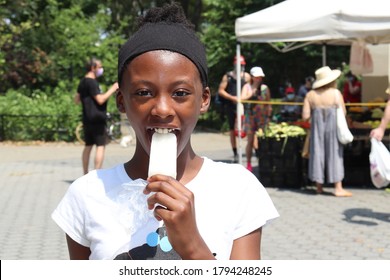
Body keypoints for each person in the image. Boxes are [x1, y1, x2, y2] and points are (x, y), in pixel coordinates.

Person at [52, 2, 279, 260]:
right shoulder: (88, 194)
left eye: (180, 93)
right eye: (143, 92)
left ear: (204, 99)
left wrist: (193, 246)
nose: (162, 109)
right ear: (121, 102)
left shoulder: (238, 188)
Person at [302, 66, 352, 197]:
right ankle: (338, 187)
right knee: (335, 152)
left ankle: (318, 186)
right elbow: (344, 112)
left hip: (316, 128)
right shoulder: (336, 93)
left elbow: (305, 116)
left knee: (317, 152)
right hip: (333, 127)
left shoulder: (310, 95)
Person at [74, 58, 119, 174]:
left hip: (87, 118)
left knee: (88, 145)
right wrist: (113, 89)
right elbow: (100, 99)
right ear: (93, 68)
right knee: (100, 145)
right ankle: (96, 173)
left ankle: (85, 173)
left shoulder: (83, 81)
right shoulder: (92, 82)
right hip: (97, 118)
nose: (101, 69)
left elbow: (76, 99)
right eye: (99, 67)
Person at [217, 55, 251, 162]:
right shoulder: (228, 76)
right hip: (231, 106)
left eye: (242, 65)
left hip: (243, 106)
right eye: (238, 65)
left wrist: (243, 98)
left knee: (247, 128)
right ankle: (235, 152)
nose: (240, 67)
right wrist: (232, 98)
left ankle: (252, 149)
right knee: (232, 129)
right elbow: (221, 90)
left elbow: (249, 90)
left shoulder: (246, 76)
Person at [240, 66, 272, 172]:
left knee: (262, 140)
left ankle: (263, 162)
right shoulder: (247, 87)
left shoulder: (265, 88)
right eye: (257, 77)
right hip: (250, 116)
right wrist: (251, 94)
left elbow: (268, 103)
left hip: (262, 117)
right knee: (250, 140)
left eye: (260, 77)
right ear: (253, 77)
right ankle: (249, 163)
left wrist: (268, 116)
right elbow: (242, 98)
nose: (259, 79)